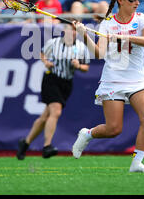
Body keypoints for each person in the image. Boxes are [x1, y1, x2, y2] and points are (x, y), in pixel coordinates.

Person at [72, 0, 144, 173]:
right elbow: (99, 54)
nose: (136, 2)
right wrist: (84, 35)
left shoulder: (142, 19)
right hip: (113, 79)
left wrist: (124, 38)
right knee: (113, 129)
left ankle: (137, 163)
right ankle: (87, 134)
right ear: (120, 0)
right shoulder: (108, 23)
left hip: (137, 80)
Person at [17, 22, 90, 160]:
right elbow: (42, 53)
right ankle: (47, 146)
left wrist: (79, 66)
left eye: (75, 31)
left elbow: (86, 67)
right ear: (64, 32)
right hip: (51, 79)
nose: (73, 33)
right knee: (56, 111)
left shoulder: (81, 47)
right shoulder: (54, 43)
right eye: (70, 30)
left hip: (66, 83)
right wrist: (46, 62)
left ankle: (25, 144)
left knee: (45, 117)